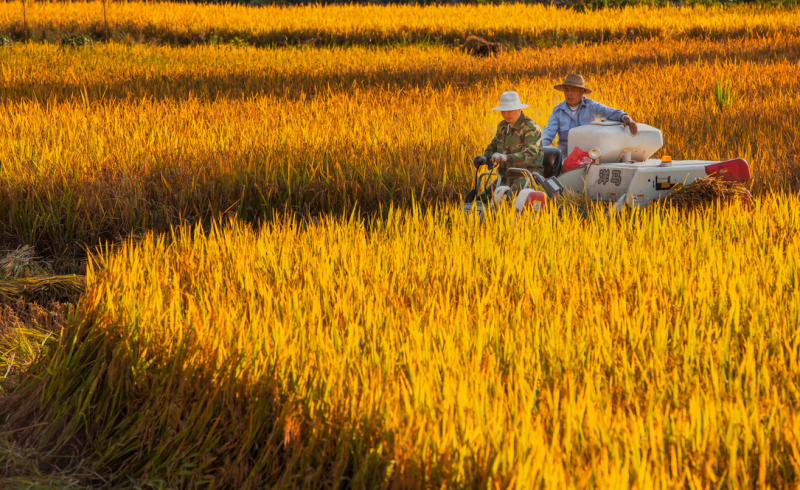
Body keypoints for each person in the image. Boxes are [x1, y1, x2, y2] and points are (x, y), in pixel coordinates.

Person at [542, 74, 639, 158]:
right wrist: (538, 150)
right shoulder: (557, 111)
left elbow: (609, 112)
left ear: (582, 91)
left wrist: (626, 118)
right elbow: (547, 134)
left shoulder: (592, 106)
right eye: (566, 90)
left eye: (573, 90)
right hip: (566, 160)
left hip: (590, 158)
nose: (569, 93)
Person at [473, 91, 544, 190]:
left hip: (527, 176)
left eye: (509, 111)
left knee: (507, 200)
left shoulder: (531, 128)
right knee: (480, 199)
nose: (506, 114)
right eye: (503, 111)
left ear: (519, 109)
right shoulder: (502, 126)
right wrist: (485, 158)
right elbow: (493, 147)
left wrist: (505, 157)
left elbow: (529, 154)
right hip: (505, 176)